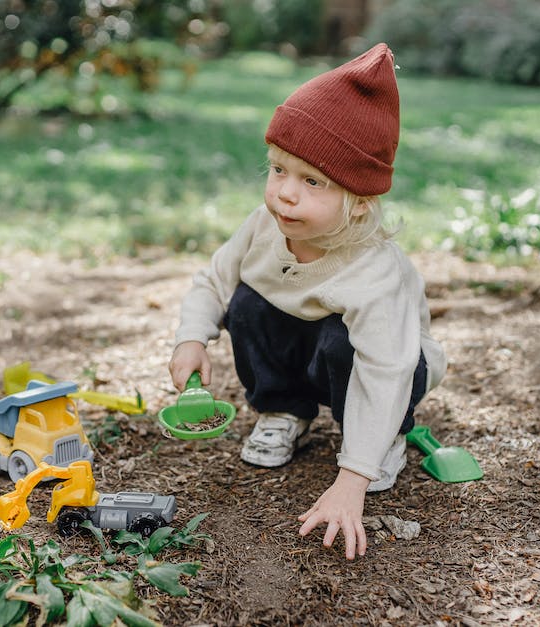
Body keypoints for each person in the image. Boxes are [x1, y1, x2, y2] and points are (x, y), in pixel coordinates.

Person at [167, 43, 446, 560]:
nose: (285, 194)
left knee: (343, 341)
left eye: (312, 181)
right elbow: (214, 281)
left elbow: (387, 370)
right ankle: (283, 409)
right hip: (307, 347)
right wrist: (192, 337)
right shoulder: (264, 226)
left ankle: (380, 441)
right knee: (248, 302)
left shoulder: (374, 271)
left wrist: (353, 479)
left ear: (359, 202)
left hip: (392, 367)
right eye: (278, 170)